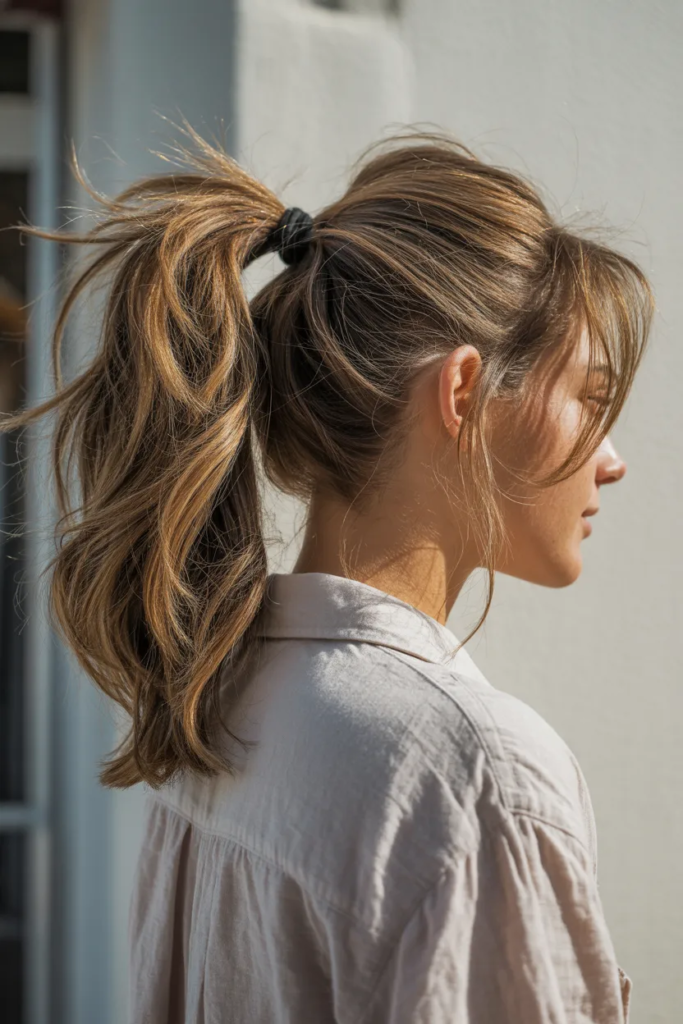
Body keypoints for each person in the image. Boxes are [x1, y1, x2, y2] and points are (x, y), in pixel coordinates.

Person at [6, 127, 653, 1022]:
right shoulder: (474, 775)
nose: (611, 460)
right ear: (463, 392)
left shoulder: (216, 705)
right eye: (589, 397)